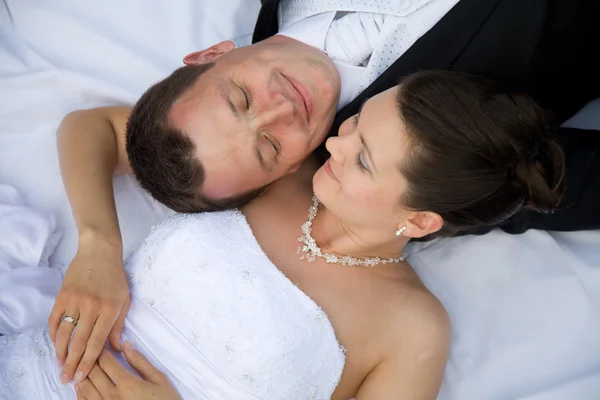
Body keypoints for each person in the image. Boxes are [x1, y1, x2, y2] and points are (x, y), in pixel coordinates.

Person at [53, 0, 600, 386]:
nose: (281, 109)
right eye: (270, 146)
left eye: (240, 97)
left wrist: (98, 244)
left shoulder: (306, 167)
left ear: (214, 53)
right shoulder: (453, 168)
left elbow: (94, 128)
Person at [1, 71, 565, 399]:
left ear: (419, 222)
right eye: (356, 124)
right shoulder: (280, 171)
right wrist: (99, 244)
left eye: (363, 161)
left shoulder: (412, 330)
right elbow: (94, 129)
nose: (334, 145)